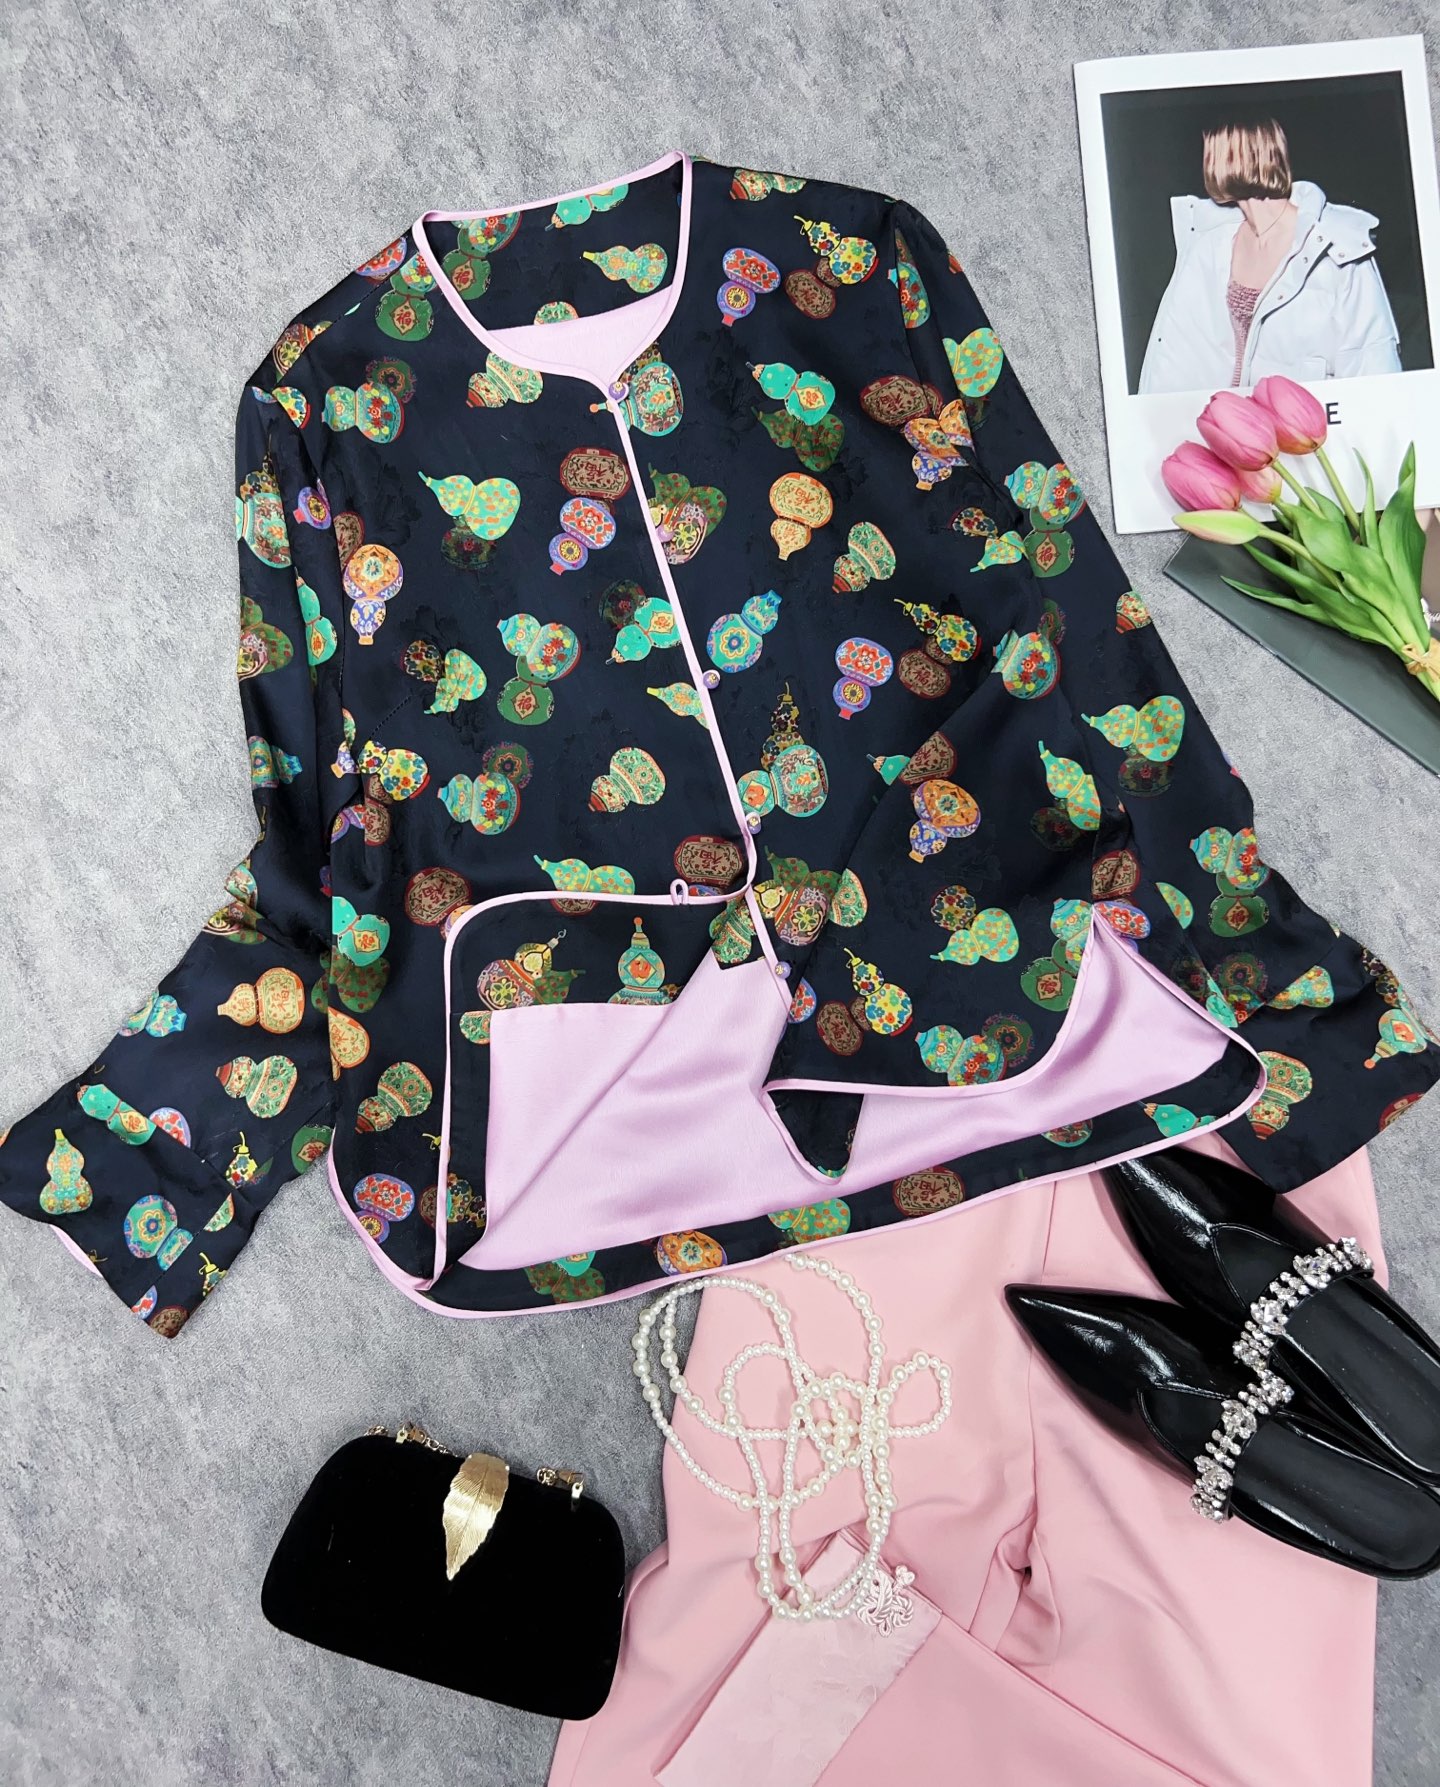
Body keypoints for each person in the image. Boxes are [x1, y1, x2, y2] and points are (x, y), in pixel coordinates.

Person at [1138, 115, 1403, 394]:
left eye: (1210, 152)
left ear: (1235, 157)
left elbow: (1374, 369)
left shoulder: (1337, 249)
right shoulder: (1212, 246)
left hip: (1302, 421)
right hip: (1225, 420)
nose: (1205, 164)